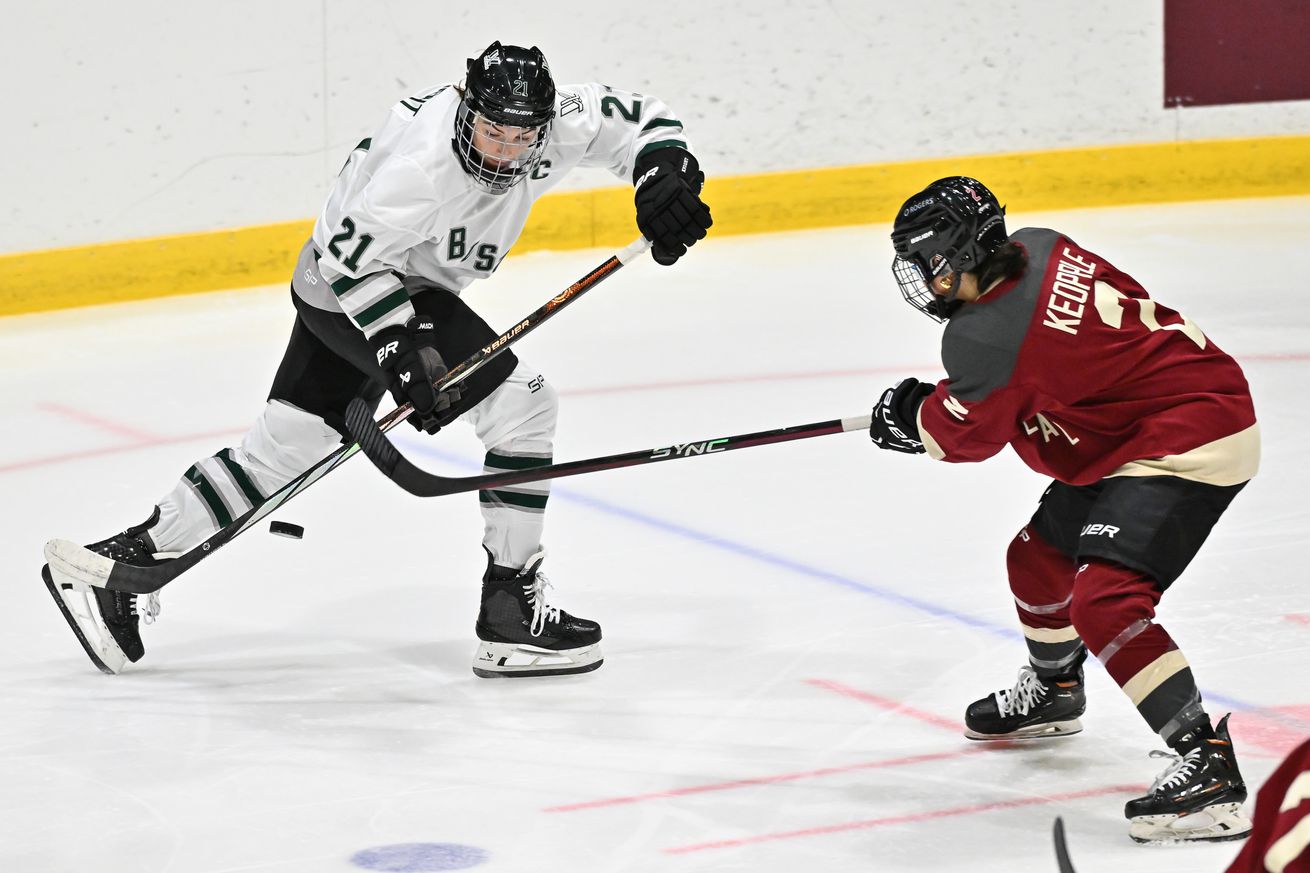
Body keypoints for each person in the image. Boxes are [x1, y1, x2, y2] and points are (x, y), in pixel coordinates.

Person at [42, 41, 712, 679]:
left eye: (520, 138)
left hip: (352, 283)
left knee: (287, 446)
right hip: (353, 285)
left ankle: (113, 567)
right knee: (523, 406)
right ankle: (510, 611)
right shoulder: (423, 164)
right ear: (464, 108)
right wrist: (401, 349)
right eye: (490, 132)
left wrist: (663, 172)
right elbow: (348, 258)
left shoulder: (556, 121)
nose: (505, 152)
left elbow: (643, 121)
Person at [868, 176, 1258, 843]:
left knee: (1105, 601)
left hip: (1187, 436)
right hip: (1141, 422)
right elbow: (1037, 371)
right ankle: (1056, 688)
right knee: (1037, 559)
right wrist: (947, 402)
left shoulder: (983, 338)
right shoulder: (1040, 245)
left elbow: (966, 436)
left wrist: (915, 418)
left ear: (960, 251)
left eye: (928, 262)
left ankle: (1208, 766)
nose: (925, 280)